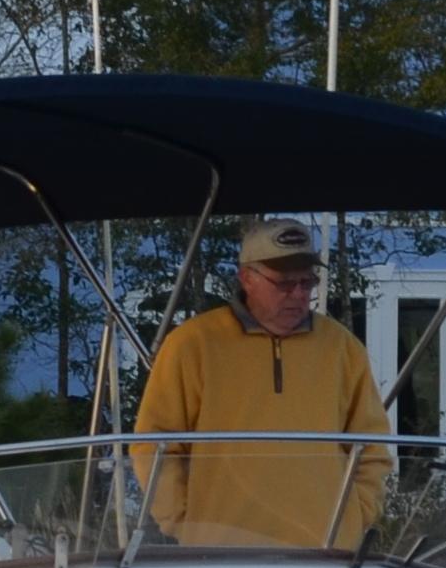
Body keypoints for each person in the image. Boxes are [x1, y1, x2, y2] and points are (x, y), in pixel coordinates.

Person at [133, 217, 393, 548]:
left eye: (307, 282)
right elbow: (154, 444)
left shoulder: (343, 348)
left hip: (326, 555)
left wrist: (355, 517)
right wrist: (184, 523)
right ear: (247, 278)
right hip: (219, 557)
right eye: (284, 283)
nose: (299, 294)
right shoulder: (192, 345)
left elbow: (371, 447)